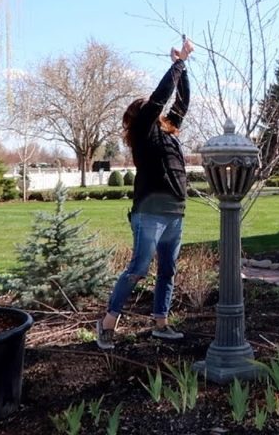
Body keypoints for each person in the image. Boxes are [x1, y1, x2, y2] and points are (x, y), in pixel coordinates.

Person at [96, 36, 193, 350]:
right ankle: (108, 324)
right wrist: (177, 63)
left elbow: (181, 102)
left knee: (168, 269)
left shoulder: (167, 132)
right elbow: (160, 97)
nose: (160, 114)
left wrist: (184, 68)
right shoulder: (141, 132)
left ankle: (160, 323)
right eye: (152, 111)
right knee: (139, 268)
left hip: (175, 212)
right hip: (149, 213)